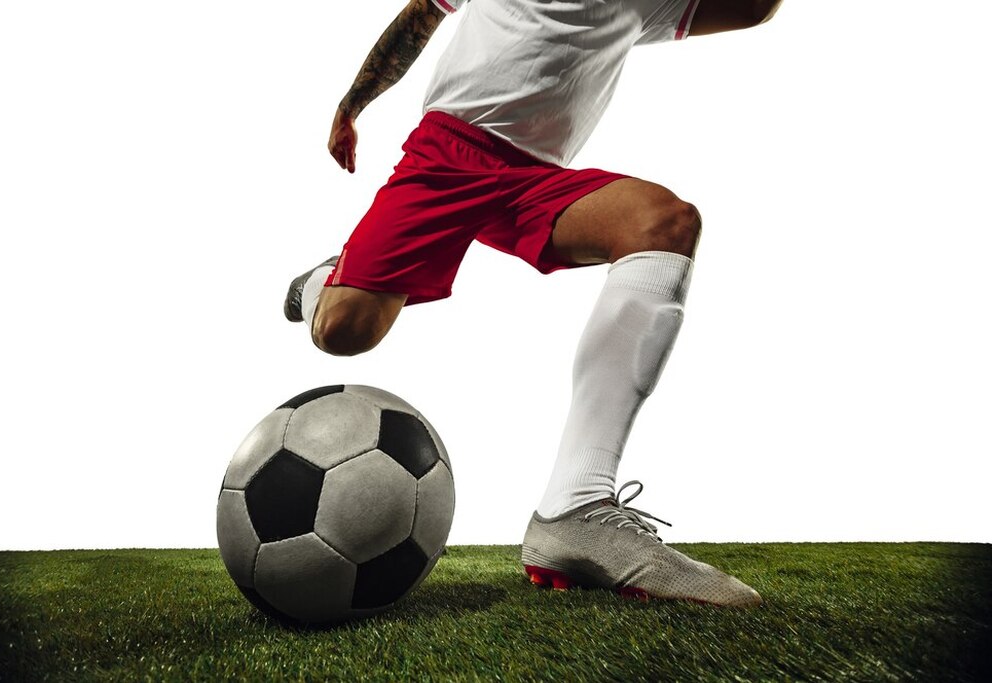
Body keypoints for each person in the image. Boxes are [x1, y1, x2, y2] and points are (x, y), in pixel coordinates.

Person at [285, 0, 783, 607]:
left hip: (538, 181)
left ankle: (575, 508)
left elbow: (753, 9)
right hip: (448, 157)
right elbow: (420, 15)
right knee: (345, 333)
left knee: (664, 225)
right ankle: (326, 283)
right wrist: (352, 105)